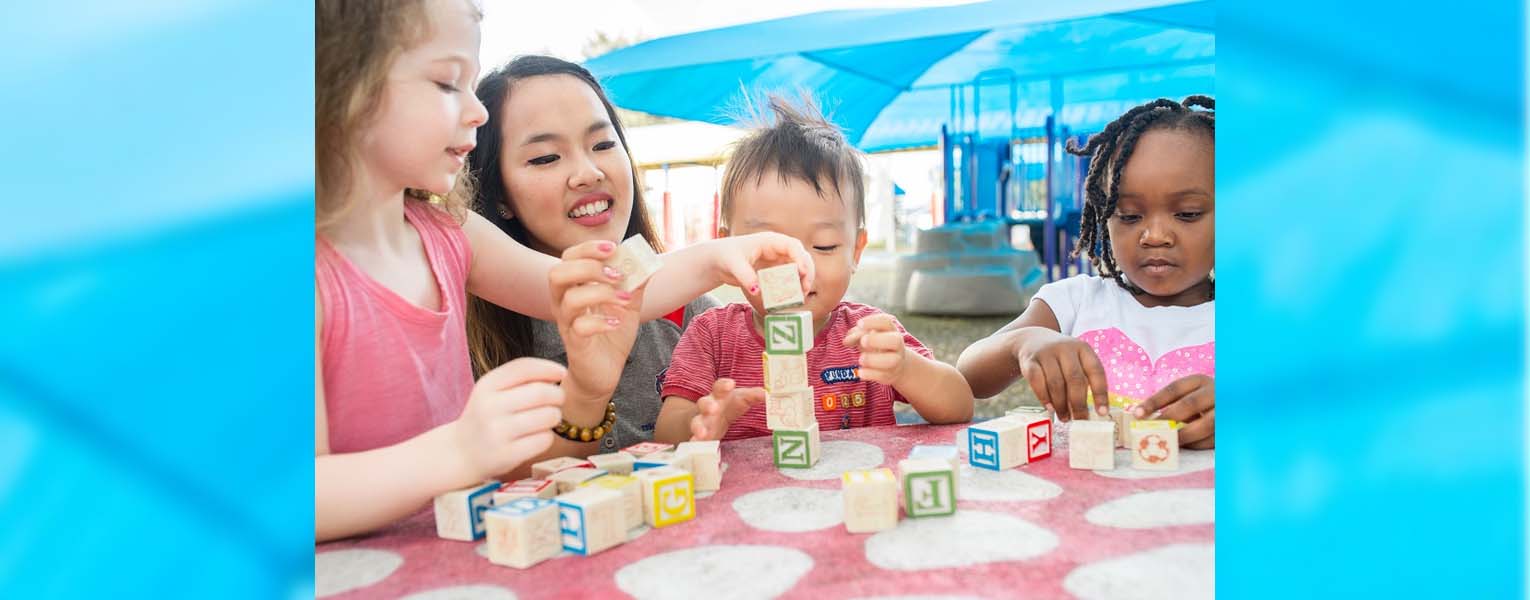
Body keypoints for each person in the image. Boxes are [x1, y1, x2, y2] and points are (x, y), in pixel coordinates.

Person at [957, 96, 1216, 449]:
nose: (1154, 235)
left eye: (1187, 213)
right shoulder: (1076, 301)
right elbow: (968, 375)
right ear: (1104, 217)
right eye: (1129, 216)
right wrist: (1022, 343)